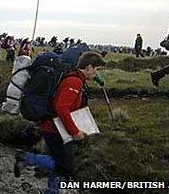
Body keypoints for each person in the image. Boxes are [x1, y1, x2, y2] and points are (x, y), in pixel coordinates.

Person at [14, 52, 106, 194]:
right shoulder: (74, 81)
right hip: (55, 129)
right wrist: (75, 132)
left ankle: (52, 190)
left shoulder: (75, 78)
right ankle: (27, 158)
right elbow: (62, 107)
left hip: (55, 128)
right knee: (66, 167)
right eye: (97, 69)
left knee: (61, 163)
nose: (97, 73)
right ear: (89, 67)